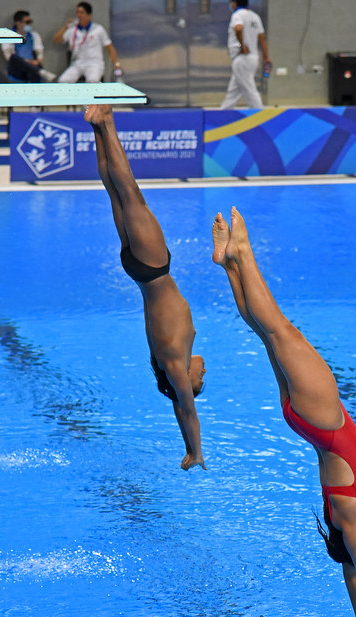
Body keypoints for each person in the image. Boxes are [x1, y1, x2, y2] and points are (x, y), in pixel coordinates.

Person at [211, 207, 356, 617]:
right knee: (265, 332)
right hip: (306, 421)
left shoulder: (355, 522)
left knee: (278, 327)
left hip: (323, 418)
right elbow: (351, 576)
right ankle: (229, 266)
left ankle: (243, 253)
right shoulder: (344, 524)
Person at [85, 104, 206, 471]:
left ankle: (106, 121)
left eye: (200, 382)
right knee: (115, 192)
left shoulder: (174, 365)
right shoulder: (170, 360)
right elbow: (180, 402)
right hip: (139, 271)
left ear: (188, 382)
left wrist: (194, 451)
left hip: (153, 267)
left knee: (130, 191)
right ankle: (97, 127)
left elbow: (186, 411)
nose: (204, 373)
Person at [54, 2, 122, 84]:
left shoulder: (98, 29)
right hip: (77, 63)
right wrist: (65, 27)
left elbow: (109, 47)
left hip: (94, 63)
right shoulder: (73, 29)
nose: (79, 15)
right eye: (77, 12)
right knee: (63, 81)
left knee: (92, 81)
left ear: (89, 15)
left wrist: (116, 64)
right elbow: (57, 40)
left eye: (82, 13)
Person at [221, 0, 270, 109]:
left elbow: (238, 28)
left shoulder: (237, 15)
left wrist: (242, 46)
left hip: (242, 58)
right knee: (233, 91)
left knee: (250, 90)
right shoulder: (255, 17)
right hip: (253, 57)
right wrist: (266, 58)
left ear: (235, 3)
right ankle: (223, 113)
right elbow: (262, 38)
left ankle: (260, 115)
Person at [3, 10, 57, 83]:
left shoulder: (34, 35)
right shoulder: (8, 36)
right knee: (13, 57)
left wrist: (38, 61)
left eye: (30, 22)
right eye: (27, 22)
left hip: (32, 65)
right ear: (18, 23)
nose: (29, 25)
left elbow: (39, 52)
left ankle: (38, 72)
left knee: (33, 71)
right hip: (17, 68)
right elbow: (8, 56)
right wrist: (25, 61)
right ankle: (41, 72)